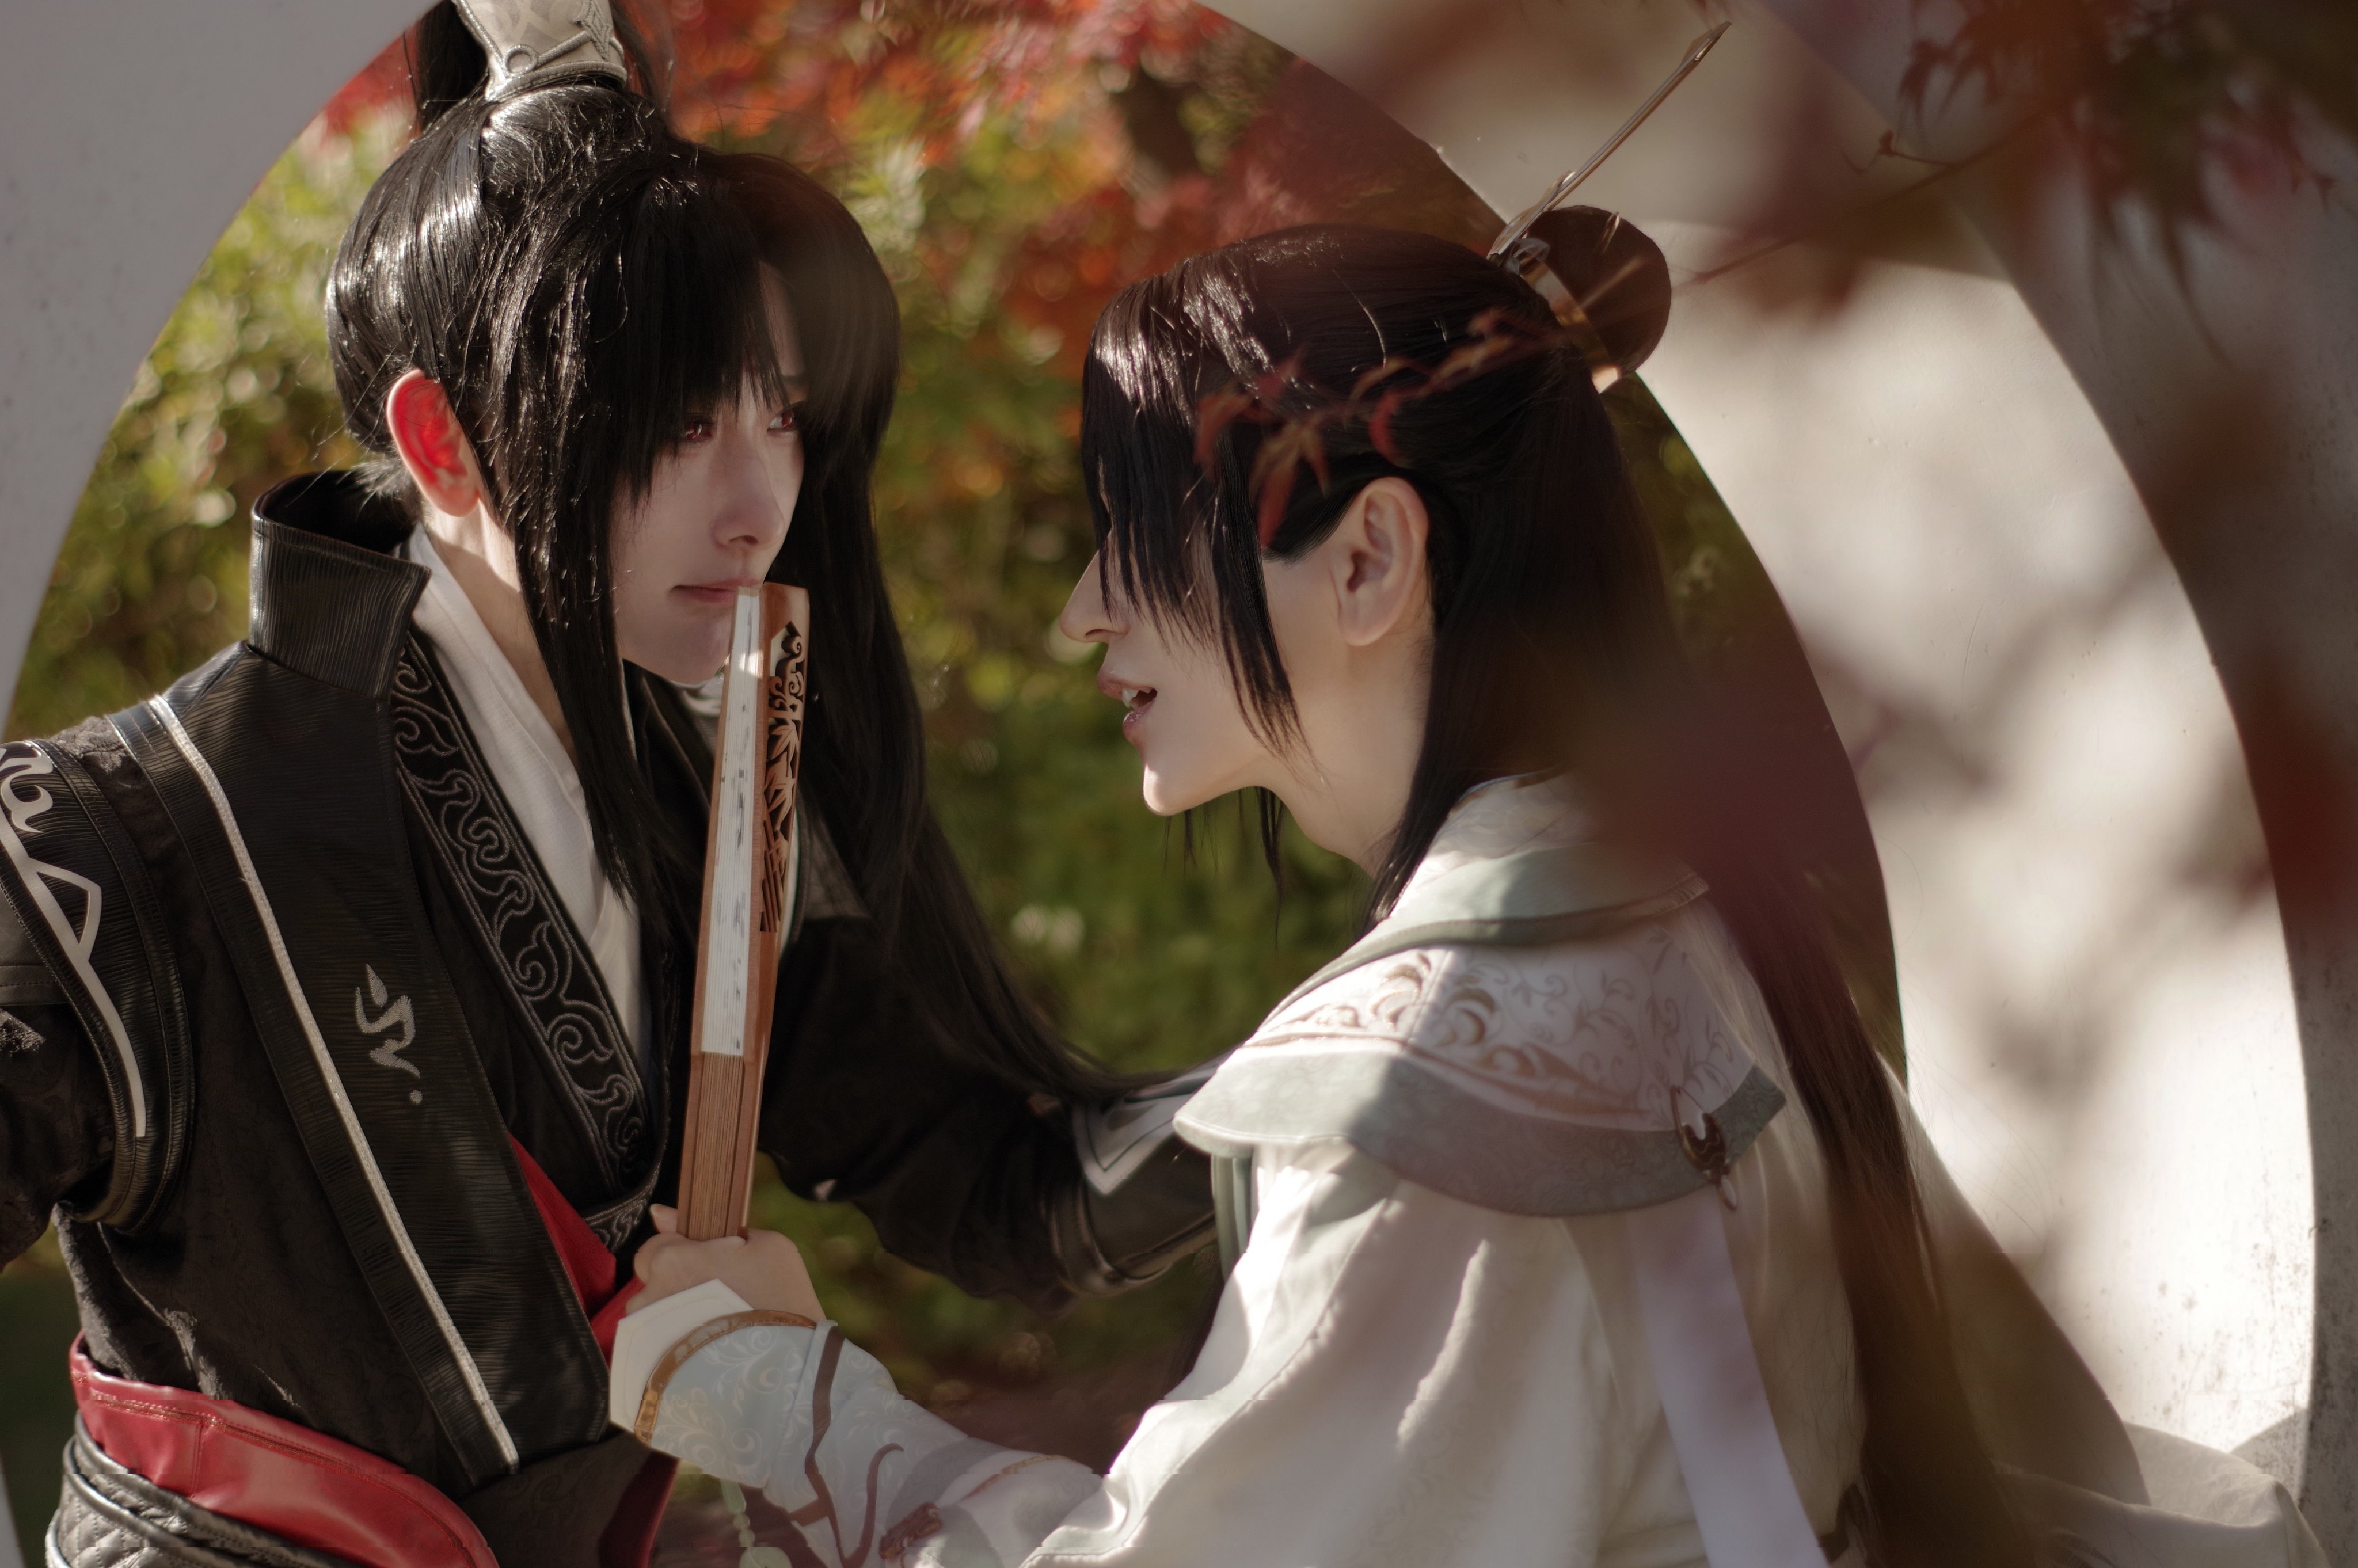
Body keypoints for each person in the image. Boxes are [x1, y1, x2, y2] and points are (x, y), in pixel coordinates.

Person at [609, 223, 2325, 1566]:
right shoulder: (1695, 920)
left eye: (1136, 532)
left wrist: (784, 1403)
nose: (1083, 611)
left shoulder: (1426, 1102)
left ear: (1367, 560)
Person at [0, 5, 1208, 1567]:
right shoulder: (120, 837)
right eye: (681, 420)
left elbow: (1016, 1186)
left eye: (783, 414)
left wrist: (1344, 1076)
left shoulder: (717, 800)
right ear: (443, 441)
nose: (760, 501)